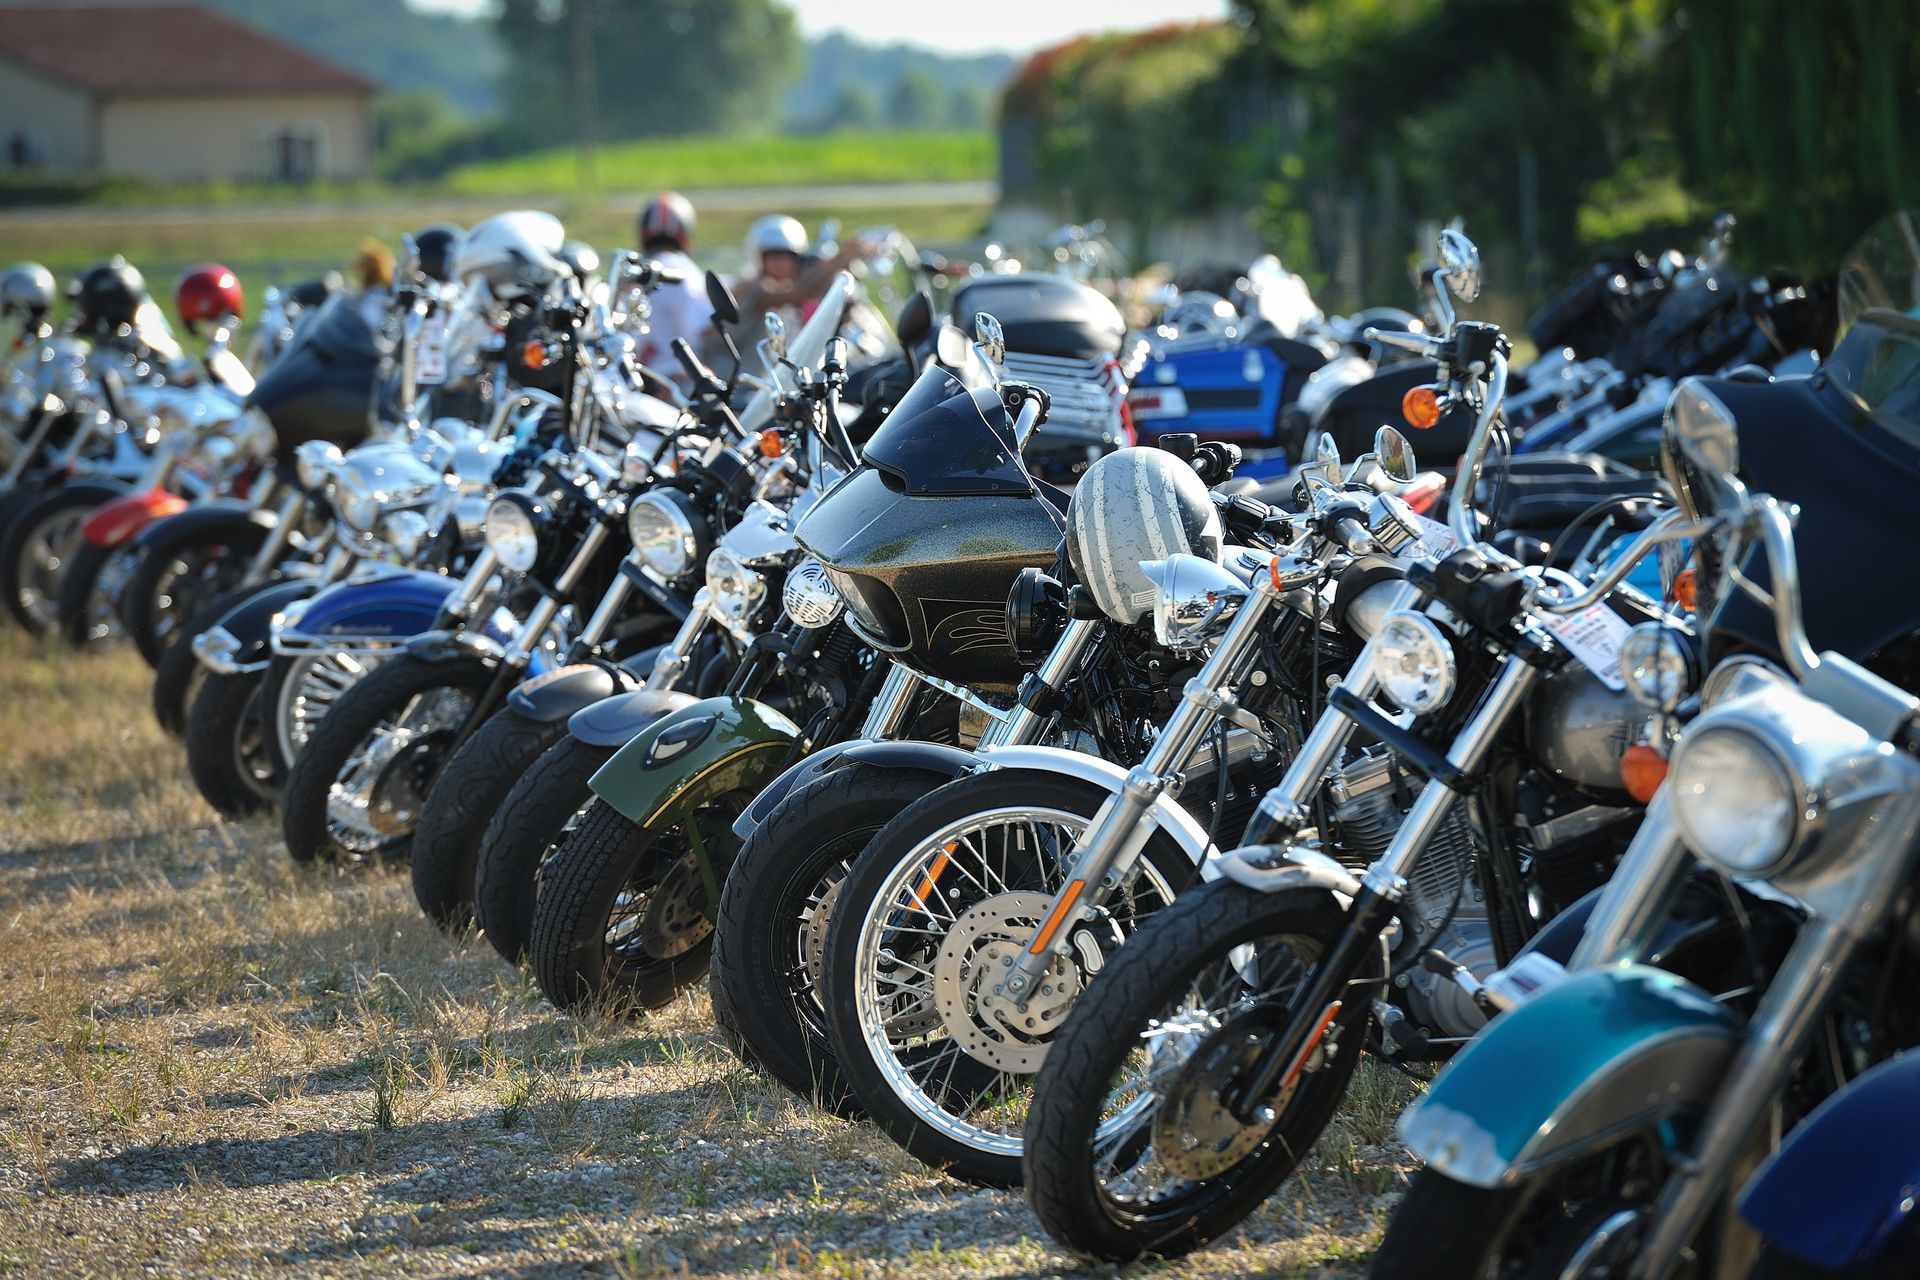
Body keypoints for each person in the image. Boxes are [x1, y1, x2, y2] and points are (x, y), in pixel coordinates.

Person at [731, 214, 873, 335]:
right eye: (772, 255)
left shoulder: (785, 287)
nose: (780, 263)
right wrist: (840, 259)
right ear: (758, 256)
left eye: (786, 255)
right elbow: (799, 291)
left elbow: (802, 285)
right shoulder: (751, 289)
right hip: (740, 367)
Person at [631, 191, 714, 388]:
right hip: (678, 376)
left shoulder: (635, 273)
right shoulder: (688, 273)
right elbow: (699, 333)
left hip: (636, 376)